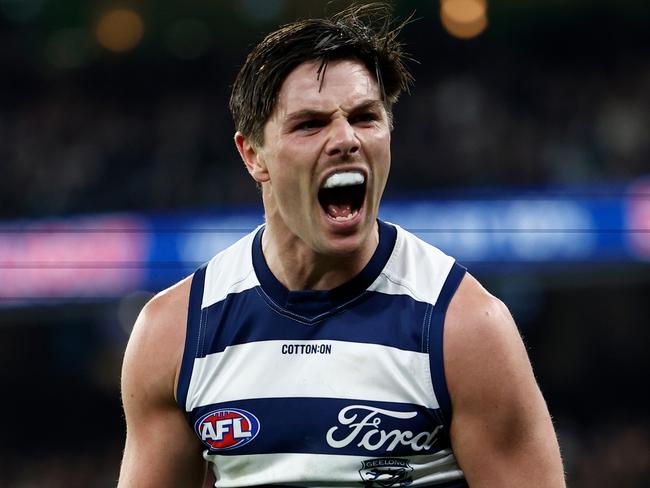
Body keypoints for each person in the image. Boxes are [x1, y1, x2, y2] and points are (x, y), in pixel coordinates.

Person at [118, 3, 566, 487]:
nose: (346, 139)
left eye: (365, 117)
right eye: (310, 124)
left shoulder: (464, 327)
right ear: (253, 156)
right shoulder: (177, 332)